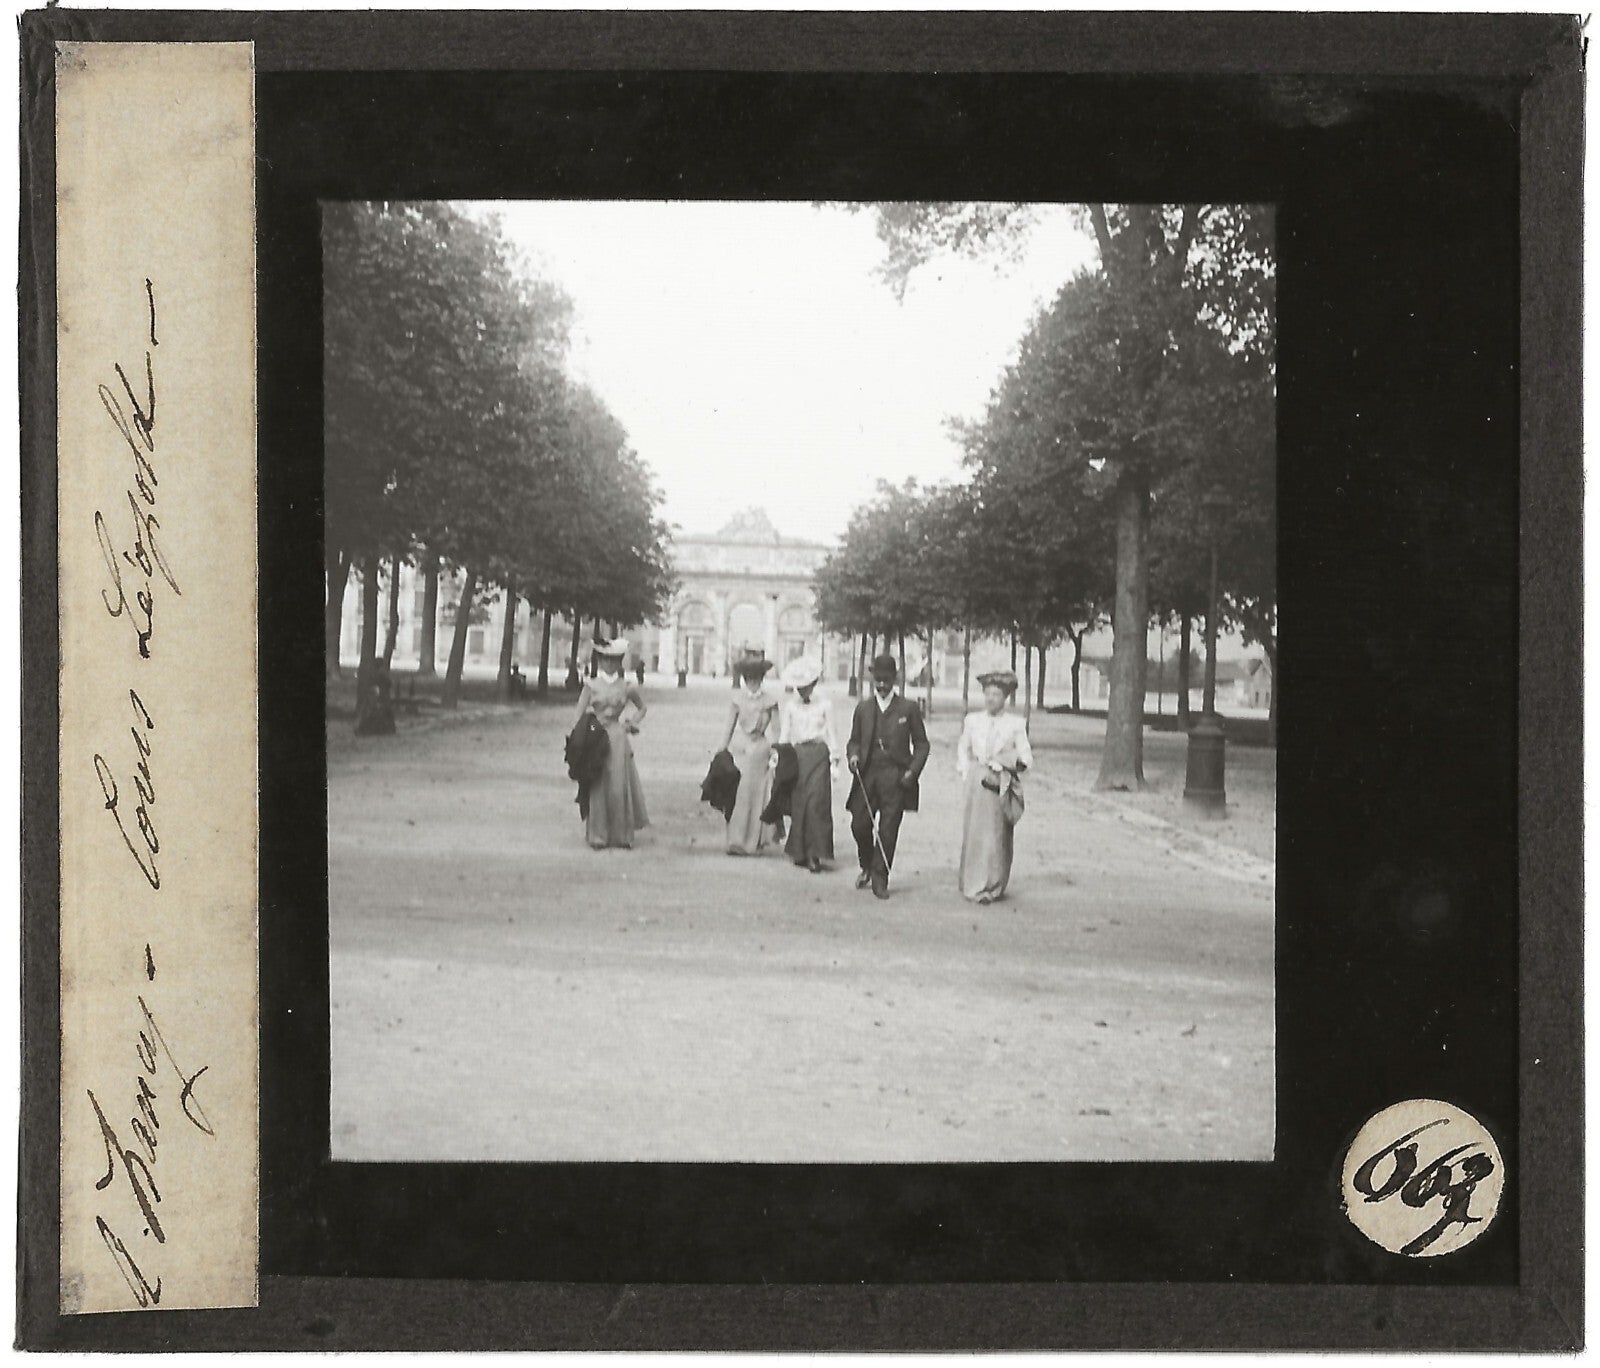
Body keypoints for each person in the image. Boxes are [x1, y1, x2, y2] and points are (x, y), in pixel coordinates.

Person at [845, 653, 930, 899]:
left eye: (886, 680)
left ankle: (880, 878)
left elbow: (922, 745)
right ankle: (867, 865)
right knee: (859, 823)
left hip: (896, 777)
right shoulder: (863, 708)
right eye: (878, 680)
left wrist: (911, 772)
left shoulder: (909, 708)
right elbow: (854, 741)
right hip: (867, 774)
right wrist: (853, 756)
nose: (882, 685)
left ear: (895, 679)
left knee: (888, 829)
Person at [956, 670, 1034, 904]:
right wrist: (967, 771)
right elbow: (963, 748)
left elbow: (1026, 757)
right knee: (975, 834)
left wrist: (1008, 764)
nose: (991, 699)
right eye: (988, 694)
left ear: (1005, 698)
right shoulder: (973, 721)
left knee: (997, 836)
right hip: (977, 781)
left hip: (1000, 783)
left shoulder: (1015, 724)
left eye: (997, 694)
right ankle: (972, 883)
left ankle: (993, 885)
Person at [572, 638, 649, 849]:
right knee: (597, 784)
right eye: (605, 659)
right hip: (596, 736)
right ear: (600, 660)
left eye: (614, 659)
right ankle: (598, 836)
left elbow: (642, 708)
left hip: (617, 736)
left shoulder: (627, 686)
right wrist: (583, 734)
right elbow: (578, 713)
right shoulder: (591, 685)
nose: (609, 664)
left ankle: (621, 835)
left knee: (617, 784)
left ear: (620, 661)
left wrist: (631, 722)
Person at [778, 656, 840, 873]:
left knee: (817, 803)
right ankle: (800, 851)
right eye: (798, 687)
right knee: (799, 803)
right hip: (798, 756)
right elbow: (785, 734)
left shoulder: (825, 704)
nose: (801, 691)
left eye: (805, 687)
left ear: (813, 684)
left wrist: (835, 760)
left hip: (819, 756)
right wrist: (779, 758)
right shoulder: (790, 706)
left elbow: (832, 733)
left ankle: (815, 853)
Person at [718, 655, 782, 855]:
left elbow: (777, 730)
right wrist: (721, 750)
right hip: (741, 751)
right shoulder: (737, 700)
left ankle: (757, 840)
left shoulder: (770, 701)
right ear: (744, 679)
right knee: (741, 794)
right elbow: (728, 727)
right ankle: (737, 840)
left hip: (761, 750)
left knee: (759, 794)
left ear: (762, 678)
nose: (752, 681)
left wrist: (776, 752)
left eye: (756, 677)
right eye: (748, 677)